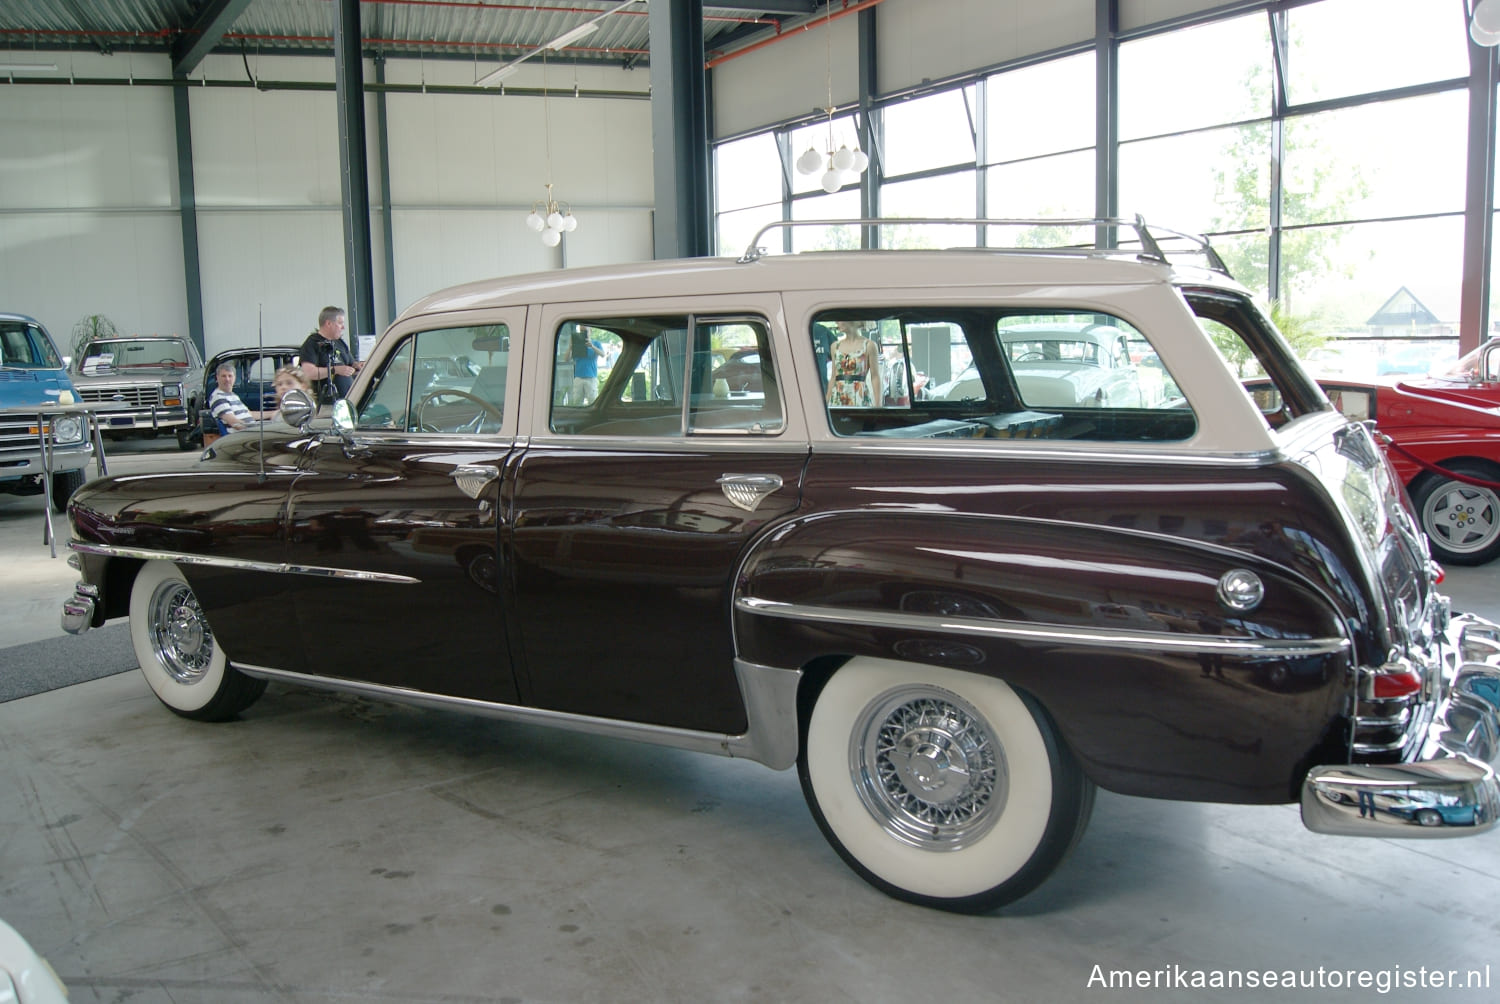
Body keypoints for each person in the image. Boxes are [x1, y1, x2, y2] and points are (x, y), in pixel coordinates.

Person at [300, 306, 364, 407]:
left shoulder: (339, 342)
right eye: (340, 323)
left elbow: (351, 364)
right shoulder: (312, 343)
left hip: (349, 402)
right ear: (329, 323)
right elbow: (309, 373)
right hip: (327, 405)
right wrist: (334, 370)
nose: (343, 327)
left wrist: (359, 365)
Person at [826, 321, 881, 408]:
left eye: (840, 319)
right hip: (838, 396)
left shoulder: (869, 346)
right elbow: (833, 377)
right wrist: (826, 402)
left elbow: (875, 377)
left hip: (859, 395)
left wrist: (878, 405)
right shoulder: (835, 346)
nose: (836, 322)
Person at [208, 363, 268, 432]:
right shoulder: (218, 397)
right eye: (223, 376)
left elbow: (250, 414)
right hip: (241, 436)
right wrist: (256, 430)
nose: (227, 379)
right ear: (217, 378)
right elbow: (235, 423)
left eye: (230, 376)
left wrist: (273, 413)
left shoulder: (233, 395)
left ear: (234, 378)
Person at [568, 328, 604, 405]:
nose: (583, 332)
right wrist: (571, 347)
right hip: (578, 377)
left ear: (590, 331)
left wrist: (592, 346)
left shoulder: (596, 343)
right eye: (581, 331)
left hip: (591, 377)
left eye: (585, 331)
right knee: (577, 402)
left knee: (593, 402)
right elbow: (566, 359)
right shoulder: (577, 344)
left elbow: (603, 354)